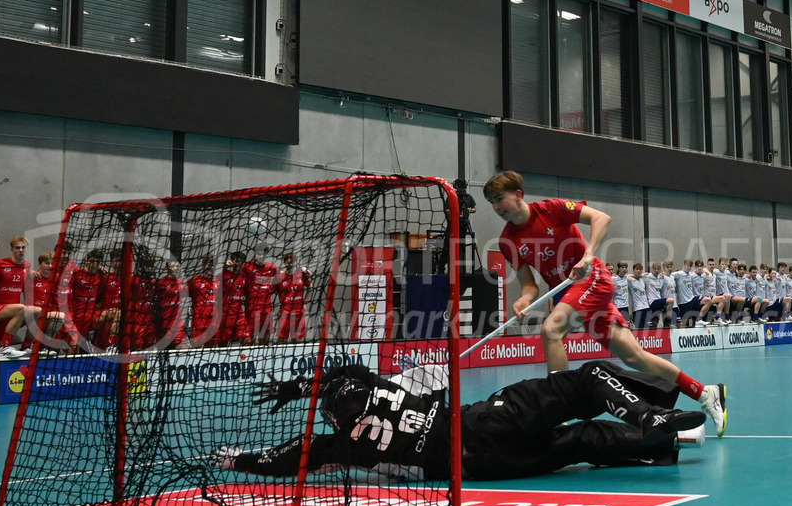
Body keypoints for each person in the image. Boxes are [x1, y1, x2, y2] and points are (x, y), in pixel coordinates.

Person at [483, 171, 726, 437]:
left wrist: (588, 255)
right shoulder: (508, 241)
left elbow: (601, 218)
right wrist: (524, 299)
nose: (496, 207)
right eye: (491, 202)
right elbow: (529, 284)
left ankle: (558, 411)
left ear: (518, 195)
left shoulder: (551, 209)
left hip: (592, 278)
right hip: (569, 293)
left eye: (499, 199)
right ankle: (705, 392)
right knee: (634, 357)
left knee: (551, 330)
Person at [217, 360, 708, 481]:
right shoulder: (370, 382)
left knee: (582, 440)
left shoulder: (338, 445)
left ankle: (662, 445)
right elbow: (340, 375)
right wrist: (298, 386)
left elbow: (286, 459)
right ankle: (647, 417)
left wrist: (236, 459)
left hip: (476, 471)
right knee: (586, 381)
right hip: (478, 425)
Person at [242, 243, 278, 345]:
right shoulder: (247, 267)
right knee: (248, 339)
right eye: (258, 254)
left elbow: (278, 282)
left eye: (263, 254)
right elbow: (241, 282)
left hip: (266, 308)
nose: (261, 256)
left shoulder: (272, 268)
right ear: (255, 254)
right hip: (252, 308)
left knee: (265, 337)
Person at [188, 254, 222, 347]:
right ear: (203, 265)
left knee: (213, 350)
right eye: (209, 264)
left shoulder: (218, 282)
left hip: (213, 322)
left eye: (214, 264)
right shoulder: (195, 281)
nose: (211, 267)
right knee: (197, 349)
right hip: (199, 323)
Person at [276, 252, 310, 342]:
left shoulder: (302, 274)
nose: (290, 264)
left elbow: (310, 286)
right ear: (284, 263)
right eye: (287, 262)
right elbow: (271, 290)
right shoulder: (280, 276)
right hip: (285, 312)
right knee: (281, 340)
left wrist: (305, 301)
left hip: (298, 311)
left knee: (297, 340)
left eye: (292, 262)